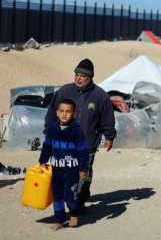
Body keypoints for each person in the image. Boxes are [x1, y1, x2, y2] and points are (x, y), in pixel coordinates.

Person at [44, 58, 115, 209]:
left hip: (87, 143)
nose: (78, 78)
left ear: (90, 78)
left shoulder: (100, 96)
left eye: (82, 76)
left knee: (83, 174)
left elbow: (107, 117)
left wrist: (109, 136)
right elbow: (51, 113)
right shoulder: (64, 91)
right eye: (76, 74)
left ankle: (78, 201)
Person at [40, 99, 89, 230]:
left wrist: (83, 169)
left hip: (72, 169)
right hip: (56, 168)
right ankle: (60, 220)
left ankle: (73, 214)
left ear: (74, 114)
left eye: (68, 111)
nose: (64, 114)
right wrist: (43, 160)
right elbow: (47, 146)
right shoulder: (52, 129)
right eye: (61, 111)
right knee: (57, 195)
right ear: (56, 113)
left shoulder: (77, 131)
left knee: (71, 194)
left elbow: (83, 151)